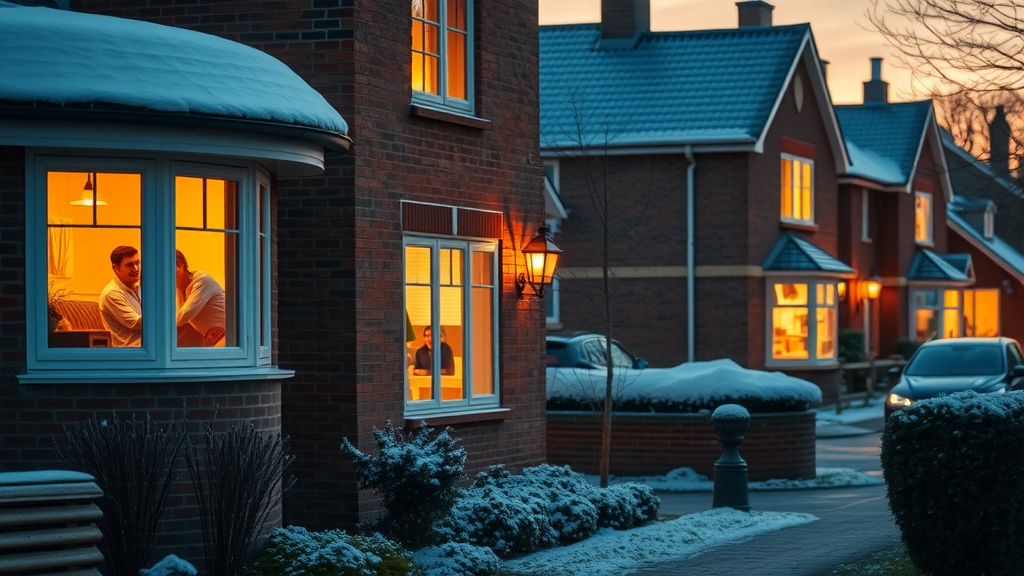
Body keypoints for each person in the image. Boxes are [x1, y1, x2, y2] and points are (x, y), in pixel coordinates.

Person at [175, 250, 227, 347]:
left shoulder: (202, 279)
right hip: (212, 339)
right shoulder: (180, 289)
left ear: (182, 265)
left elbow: (184, 315)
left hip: (231, 334)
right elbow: (179, 319)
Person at [98, 245, 142, 347]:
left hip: (147, 349)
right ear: (116, 268)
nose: (136, 268)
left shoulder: (138, 288)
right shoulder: (111, 294)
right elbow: (138, 325)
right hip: (130, 353)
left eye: (137, 263)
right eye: (129, 265)